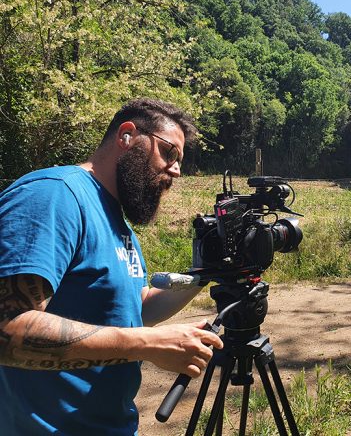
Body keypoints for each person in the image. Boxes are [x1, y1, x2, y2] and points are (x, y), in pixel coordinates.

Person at [0, 98, 223, 435]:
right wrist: (147, 344)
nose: (176, 169)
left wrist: (204, 274)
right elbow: (7, 329)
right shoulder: (54, 195)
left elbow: (135, 305)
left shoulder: (115, 216)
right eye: (169, 153)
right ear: (127, 135)